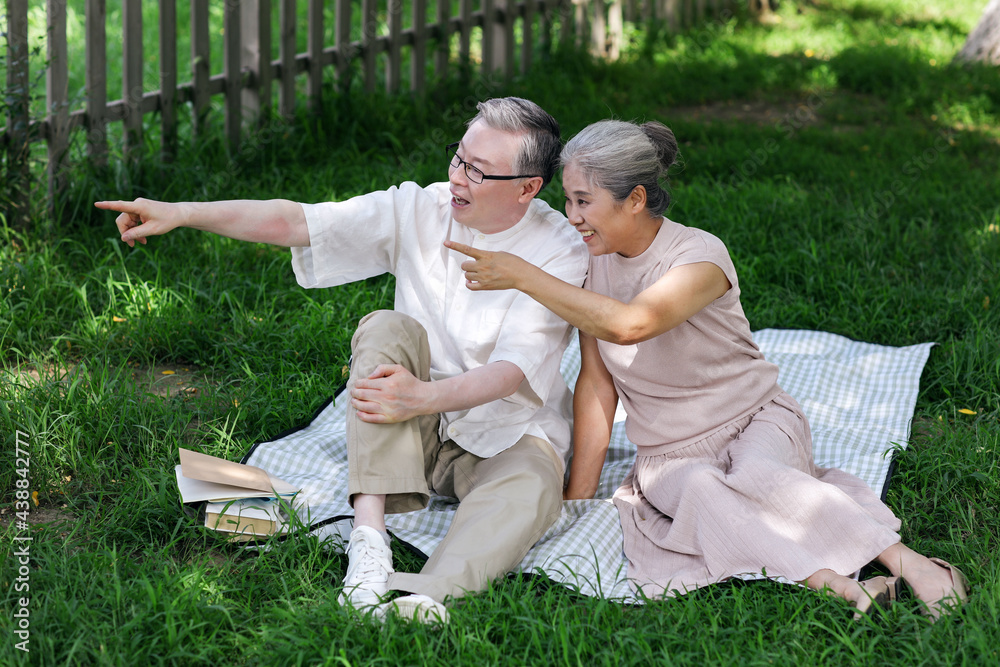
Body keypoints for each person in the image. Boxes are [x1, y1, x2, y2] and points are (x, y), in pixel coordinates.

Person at [446, 118, 969, 620]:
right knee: (703, 493)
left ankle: (916, 567)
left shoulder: (698, 257)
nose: (572, 215)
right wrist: (577, 501)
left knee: (760, 476)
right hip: (669, 453)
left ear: (635, 199)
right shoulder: (588, 265)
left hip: (754, 418)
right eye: (567, 199)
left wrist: (524, 276)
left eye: (584, 201)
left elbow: (632, 324)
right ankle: (846, 586)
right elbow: (597, 384)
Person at [96, 97, 590, 624]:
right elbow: (298, 222)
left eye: (478, 170)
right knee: (384, 327)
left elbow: (513, 370)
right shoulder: (419, 208)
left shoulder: (559, 249)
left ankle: (425, 600)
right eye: (458, 158)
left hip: (505, 432)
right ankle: (369, 541)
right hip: (411, 427)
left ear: (527, 187)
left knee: (534, 491)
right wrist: (182, 214)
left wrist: (423, 396)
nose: (458, 178)